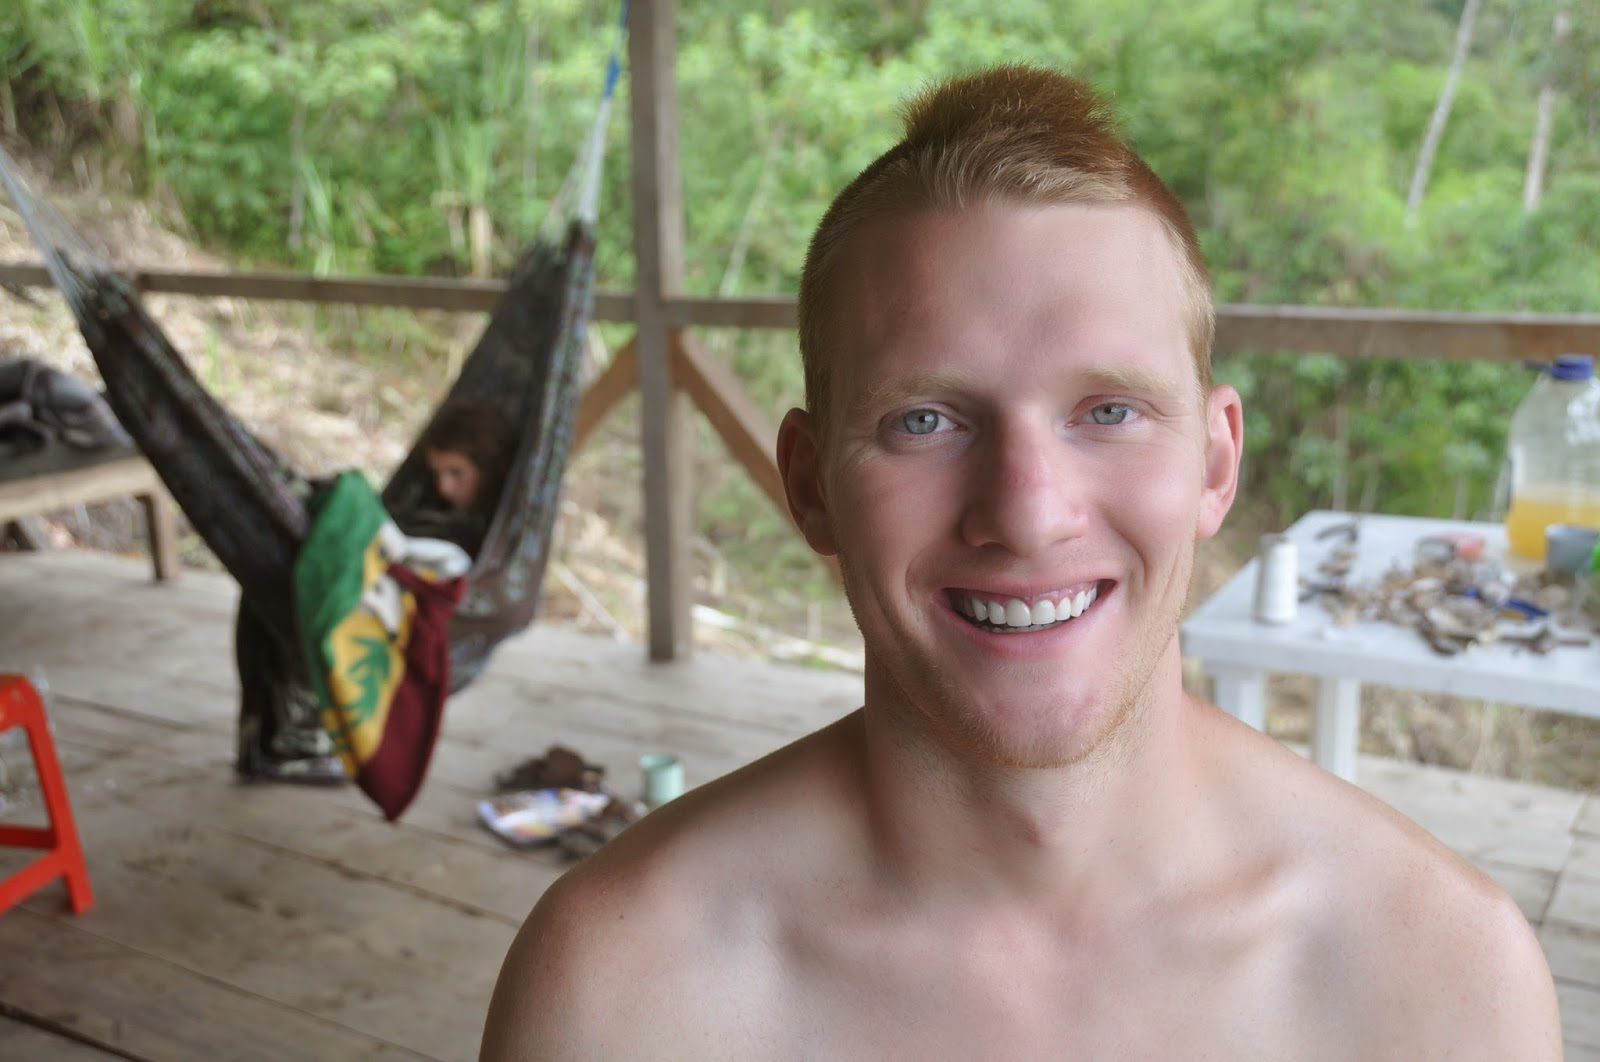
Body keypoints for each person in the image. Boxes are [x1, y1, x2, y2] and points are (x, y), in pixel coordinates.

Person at [481, 66, 1561, 1057]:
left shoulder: (1442, 976)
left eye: (1107, 409)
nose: (1026, 512)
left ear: (1214, 463)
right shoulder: (621, 988)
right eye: (923, 421)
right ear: (810, 485)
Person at [397, 398, 516, 556]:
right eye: (437, 473)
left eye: (456, 473)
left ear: (486, 470)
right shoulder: (426, 503)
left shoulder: (501, 531)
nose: (443, 488)